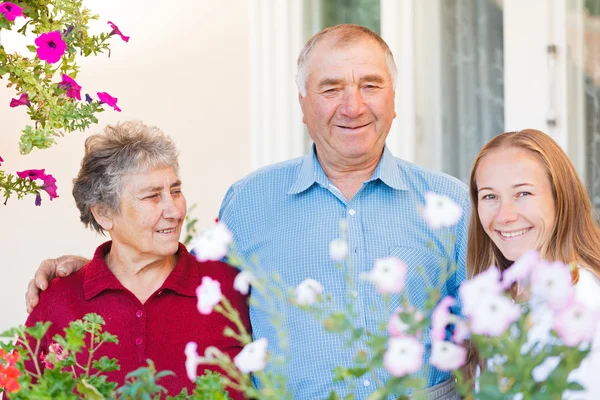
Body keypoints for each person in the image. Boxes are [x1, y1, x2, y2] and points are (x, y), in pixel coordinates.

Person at [26, 25, 469, 399]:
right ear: (302, 105)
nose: (352, 106)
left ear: (393, 98)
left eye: (370, 85)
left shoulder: (451, 204)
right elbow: (184, 279)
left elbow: (497, 322)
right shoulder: (251, 201)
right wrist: (93, 270)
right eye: (331, 88)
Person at [24, 122, 249, 398]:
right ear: (104, 213)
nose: (175, 210)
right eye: (153, 196)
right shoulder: (57, 299)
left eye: (175, 191)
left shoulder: (227, 288)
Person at [467, 128, 600, 398]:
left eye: (523, 194)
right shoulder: (504, 296)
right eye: (490, 196)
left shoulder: (583, 299)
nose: (505, 216)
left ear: (559, 198)